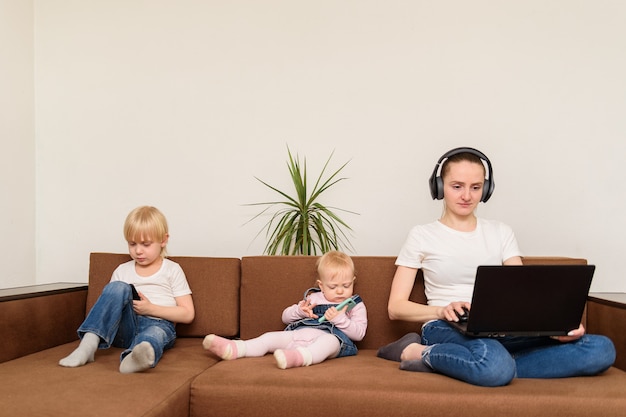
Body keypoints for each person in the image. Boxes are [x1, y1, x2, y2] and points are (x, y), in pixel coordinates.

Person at [378, 147, 615, 387]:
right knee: (493, 361)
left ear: (486, 189)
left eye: (476, 187)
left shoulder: (501, 232)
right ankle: (415, 352)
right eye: (457, 186)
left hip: (501, 329)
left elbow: (524, 295)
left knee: (601, 349)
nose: (467, 196)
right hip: (444, 326)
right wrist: (442, 311)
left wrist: (552, 326)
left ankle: (487, 364)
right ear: (439, 187)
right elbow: (395, 308)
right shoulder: (422, 235)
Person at [59, 206, 195, 373]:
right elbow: (109, 306)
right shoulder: (122, 270)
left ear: (163, 240)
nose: (138, 250)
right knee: (117, 287)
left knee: (153, 336)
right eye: (132, 244)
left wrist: (151, 309)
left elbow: (188, 314)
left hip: (159, 325)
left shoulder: (172, 270)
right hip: (124, 328)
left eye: (146, 244)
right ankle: (87, 345)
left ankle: (134, 358)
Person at [203, 251, 367, 369]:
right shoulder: (313, 299)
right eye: (333, 286)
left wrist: (340, 319)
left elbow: (359, 334)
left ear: (353, 281)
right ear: (321, 285)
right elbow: (285, 317)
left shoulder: (354, 304)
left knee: (328, 342)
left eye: (346, 285)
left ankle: (299, 358)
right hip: (298, 335)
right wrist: (300, 312)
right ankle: (236, 348)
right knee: (268, 338)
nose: (340, 291)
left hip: (332, 340)